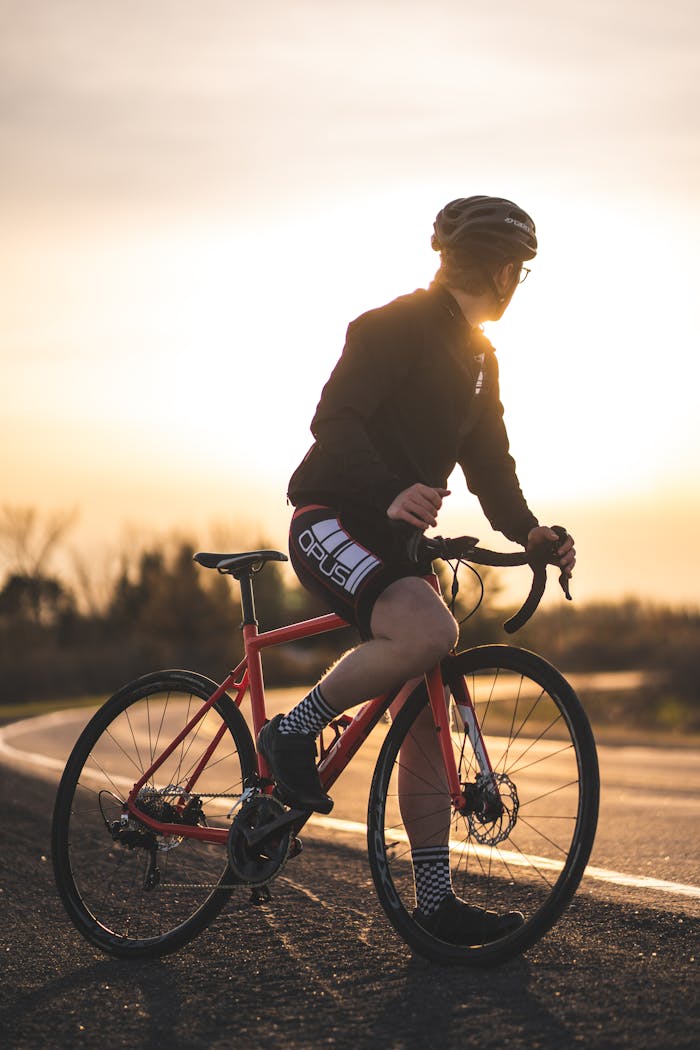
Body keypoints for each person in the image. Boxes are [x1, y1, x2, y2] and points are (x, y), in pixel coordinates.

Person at [258, 195, 576, 944]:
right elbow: (333, 421)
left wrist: (530, 531)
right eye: (519, 270)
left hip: (397, 543)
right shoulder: (392, 326)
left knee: (427, 716)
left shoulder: (480, 359)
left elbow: (490, 466)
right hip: (331, 518)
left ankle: (433, 904)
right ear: (501, 270)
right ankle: (291, 733)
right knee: (429, 631)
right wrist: (389, 490)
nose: (518, 283)